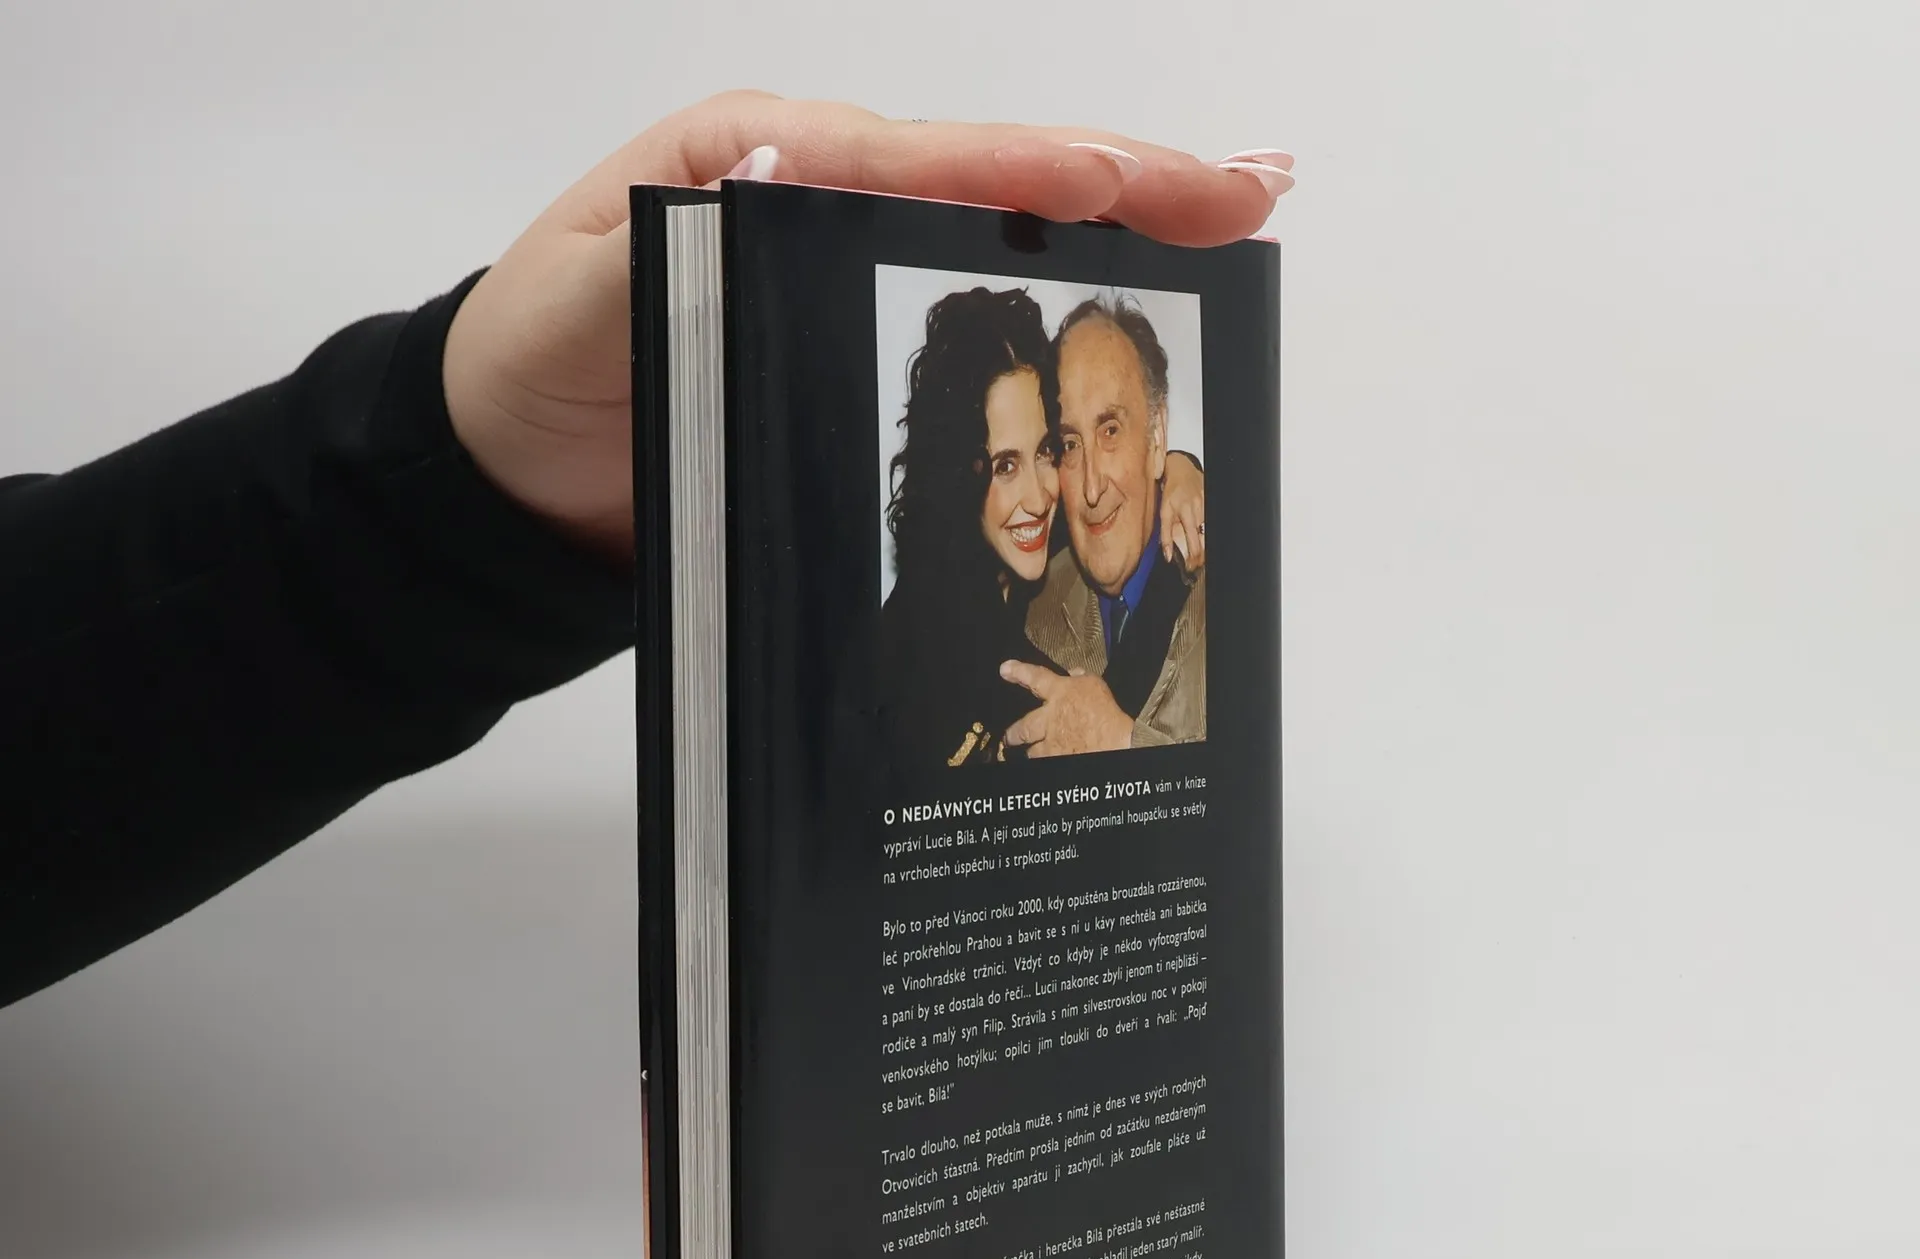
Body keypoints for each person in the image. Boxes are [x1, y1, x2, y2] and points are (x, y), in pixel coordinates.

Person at [0, 94, 1291, 1008]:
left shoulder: (1108, 567)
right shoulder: (919, 654)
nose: (1059, 485)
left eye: (1072, 444)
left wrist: (1180, 472)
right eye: (1015, 457)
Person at [880, 288, 1207, 769]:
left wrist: (1181, 468)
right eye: (1004, 466)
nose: (1039, 498)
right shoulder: (915, 636)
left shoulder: (1053, 549)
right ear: (959, 473)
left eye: (1047, 451)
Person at [1003, 297, 1208, 755]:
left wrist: (1120, 742)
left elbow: (1248, 782)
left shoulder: (1237, 599)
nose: (1092, 487)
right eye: (1070, 444)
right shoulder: (1036, 608)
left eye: (1110, 430)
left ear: (1156, 438)